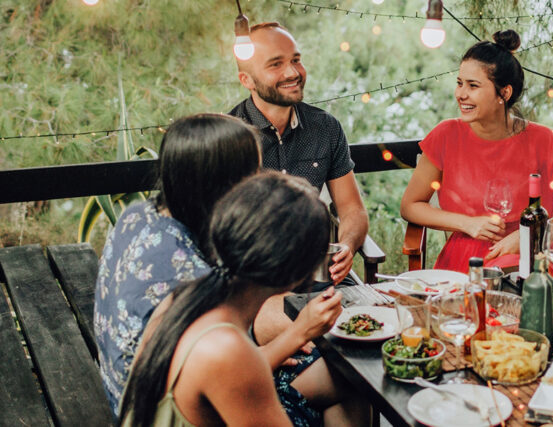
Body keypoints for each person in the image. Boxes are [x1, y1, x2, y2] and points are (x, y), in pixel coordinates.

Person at [121, 172, 355, 427]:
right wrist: (299, 332)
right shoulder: (228, 350)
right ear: (296, 274)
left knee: (347, 383)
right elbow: (232, 367)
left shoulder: (185, 296)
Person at [400, 30, 553, 292]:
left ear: (504, 93)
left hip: (533, 256)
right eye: (460, 83)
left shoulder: (542, 140)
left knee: (523, 293)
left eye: (473, 86)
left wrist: (529, 236)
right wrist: (467, 223)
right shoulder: (445, 135)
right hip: (470, 259)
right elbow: (410, 206)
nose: (461, 94)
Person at [94, 113, 261, 412]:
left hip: (114, 382)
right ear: (223, 185)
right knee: (338, 382)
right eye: (254, 174)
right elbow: (205, 378)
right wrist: (294, 336)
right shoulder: (191, 278)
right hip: (149, 409)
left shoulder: (139, 214)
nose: (260, 184)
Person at [229, 22, 368, 288]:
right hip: (254, 286)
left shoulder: (325, 127)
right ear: (246, 80)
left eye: (296, 60)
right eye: (275, 64)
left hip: (320, 276)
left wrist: (347, 246)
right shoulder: (229, 138)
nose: (293, 72)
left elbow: (352, 209)